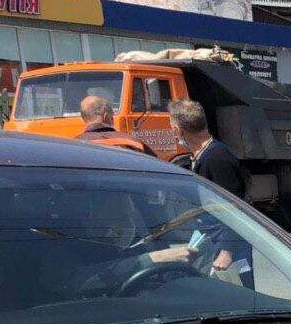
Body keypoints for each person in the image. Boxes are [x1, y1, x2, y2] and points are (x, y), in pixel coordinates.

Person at [168, 99, 251, 284]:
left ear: (178, 130)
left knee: (239, 301)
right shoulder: (200, 156)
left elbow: (235, 207)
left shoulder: (217, 158)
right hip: (212, 241)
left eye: (172, 126)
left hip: (227, 248)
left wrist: (227, 251)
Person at [75, 95, 156, 157]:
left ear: (83, 119)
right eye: (112, 115)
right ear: (106, 116)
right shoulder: (132, 142)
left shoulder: (75, 145)